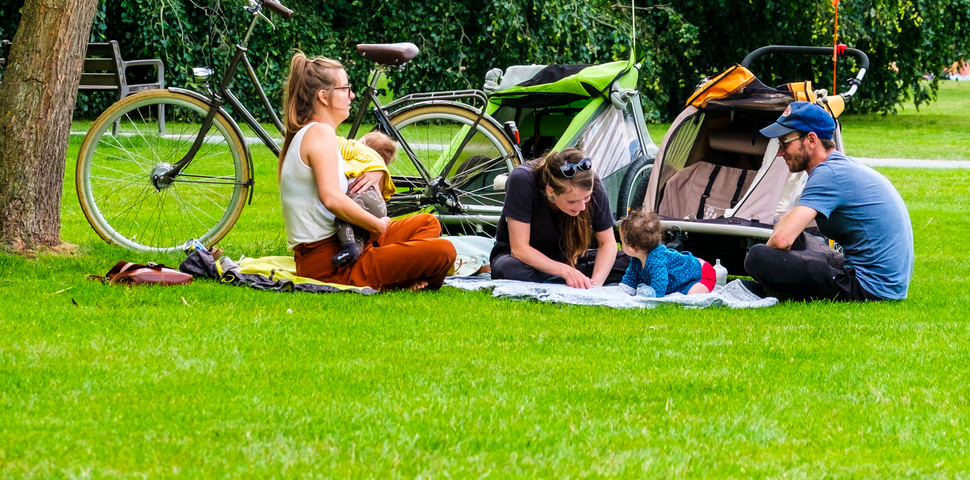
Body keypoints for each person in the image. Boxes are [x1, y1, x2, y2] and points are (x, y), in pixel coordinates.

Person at [278, 53, 456, 289]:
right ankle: (403, 277)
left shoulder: (315, 133)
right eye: (345, 89)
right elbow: (331, 198)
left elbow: (357, 155)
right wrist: (376, 226)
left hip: (353, 240)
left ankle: (401, 272)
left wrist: (377, 171)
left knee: (428, 223)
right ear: (323, 96)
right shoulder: (319, 133)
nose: (352, 95)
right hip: (332, 262)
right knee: (445, 251)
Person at [742, 99, 914, 303]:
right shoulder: (837, 167)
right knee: (795, 240)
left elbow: (782, 240)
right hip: (879, 281)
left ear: (811, 139)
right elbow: (787, 223)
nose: (780, 152)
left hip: (870, 289)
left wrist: (764, 269)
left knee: (758, 257)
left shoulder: (828, 174)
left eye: (784, 143)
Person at [489, 149, 629, 287]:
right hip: (524, 260)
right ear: (550, 190)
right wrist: (565, 272)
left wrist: (595, 284)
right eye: (572, 201)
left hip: (570, 258)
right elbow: (519, 249)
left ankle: (570, 280)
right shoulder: (523, 179)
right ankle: (568, 279)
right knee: (511, 269)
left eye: (586, 198)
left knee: (634, 262)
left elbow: (607, 243)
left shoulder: (590, 182)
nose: (582, 207)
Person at [332, 129, 399, 269]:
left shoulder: (358, 148)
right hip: (380, 208)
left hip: (362, 199)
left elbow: (336, 144)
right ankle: (354, 254)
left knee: (343, 215)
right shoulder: (378, 166)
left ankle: (347, 246)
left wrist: (329, 135)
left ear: (362, 142)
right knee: (360, 236)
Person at [618, 207, 715, 298]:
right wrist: (624, 293)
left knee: (691, 295)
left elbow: (660, 283)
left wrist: (653, 297)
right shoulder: (636, 259)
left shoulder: (656, 260)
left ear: (632, 248)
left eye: (622, 242)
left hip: (702, 273)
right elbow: (631, 277)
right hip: (690, 271)